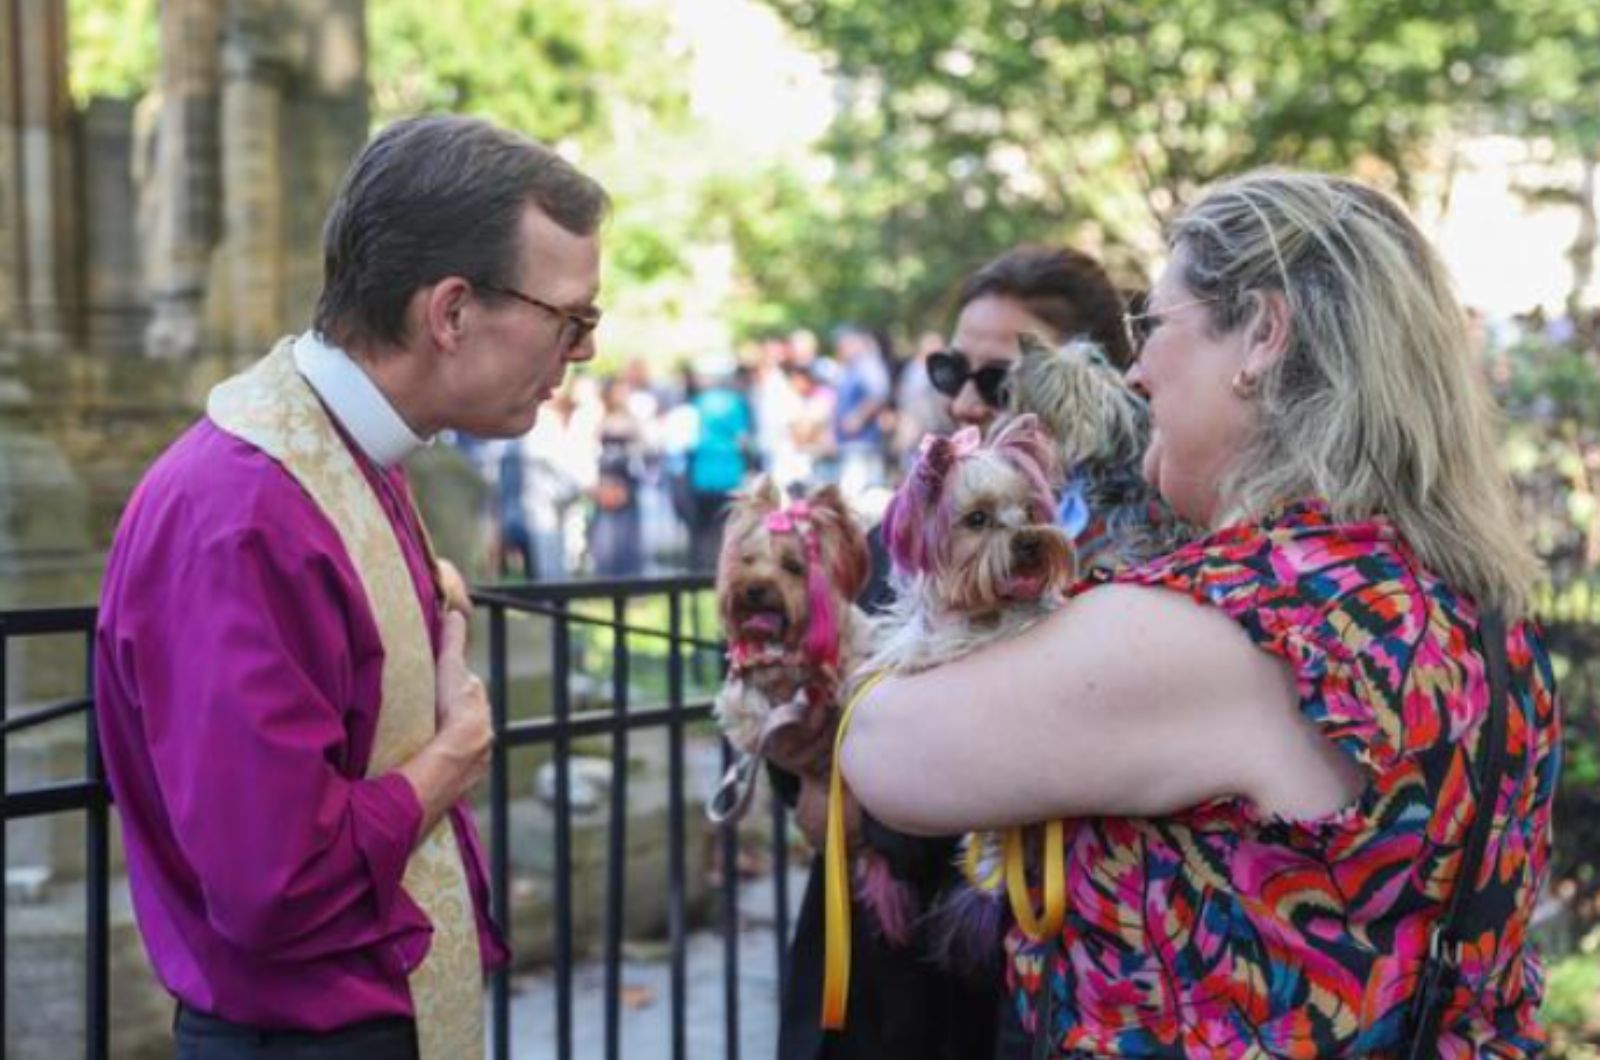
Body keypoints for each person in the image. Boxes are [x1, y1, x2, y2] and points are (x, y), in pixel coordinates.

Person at [841, 171, 1561, 1057]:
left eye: (1153, 326)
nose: (1134, 370)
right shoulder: (1481, 613)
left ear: (1262, 334)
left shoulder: (1232, 620)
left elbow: (882, 750)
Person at [94, 115, 608, 1060]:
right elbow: (270, 881)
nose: (580, 355)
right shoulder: (240, 514)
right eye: (571, 320)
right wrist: (450, 761)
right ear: (451, 312)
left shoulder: (347, 456)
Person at [772, 243, 1148, 1060]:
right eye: (951, 372)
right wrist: (806, 766)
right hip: (885, 975)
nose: (968, 403)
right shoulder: (898, 542)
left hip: (1034, 982)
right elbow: (827, 715)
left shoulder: (1134, 566)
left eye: (998, 380)